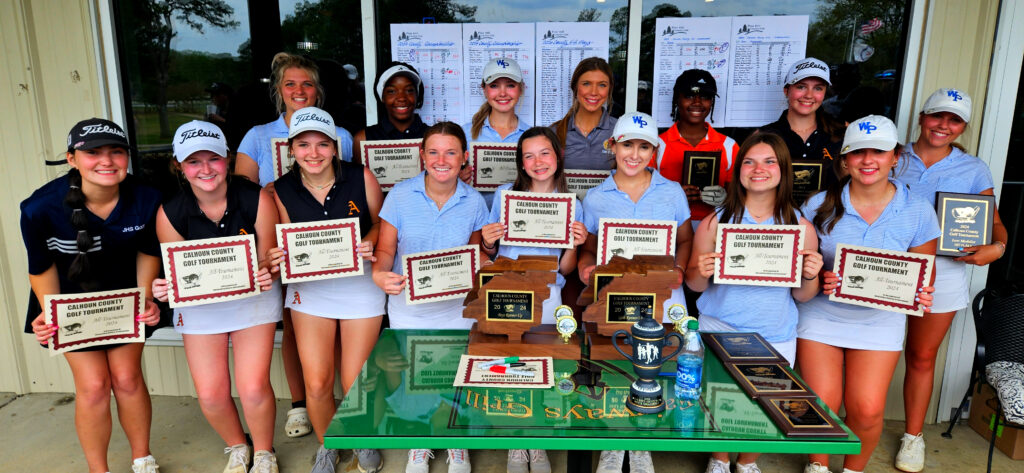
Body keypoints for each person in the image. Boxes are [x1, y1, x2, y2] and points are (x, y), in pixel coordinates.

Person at [798, 116, 938, 473]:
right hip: (822, 314)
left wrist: (920, 292)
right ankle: (818, 465)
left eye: (879, 151)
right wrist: (821, 275)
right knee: (822, 404)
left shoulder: (917, 208)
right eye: (858, 152)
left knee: (868, 408)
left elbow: (924, 269)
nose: (868, 160)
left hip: (880, 320)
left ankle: (853, 469)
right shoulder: (818, 206)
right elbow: (801, 267)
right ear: (845, 160)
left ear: (896, 157)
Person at [23, 118, 162, 473]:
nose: (107, 161)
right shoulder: (40, 208)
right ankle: (98, 469)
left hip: (125, 298)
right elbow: (40, 267)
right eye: (93, 153)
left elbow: (149, 251)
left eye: (116, 152)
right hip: (72, 301)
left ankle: (142, 460)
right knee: (94, 386)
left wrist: (145, 298)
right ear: (72, 159)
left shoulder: (146, 197)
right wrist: (48, 312)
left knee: (128, 379)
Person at [685, 133, 823, 473]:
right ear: (737, 170)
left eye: (768, 161)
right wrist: (701, 271)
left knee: (765, 407)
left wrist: (810, 274)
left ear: (784, 170)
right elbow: (694, 284)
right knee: (716, 401)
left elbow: (803, 296)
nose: (758, 169)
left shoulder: (799, 227)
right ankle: (718, 459)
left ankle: (747, 462)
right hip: (721, 328)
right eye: (749, 161)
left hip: (774, 333)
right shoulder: (716, 221)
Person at [236, 52, 356, 439]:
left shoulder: (339, 135)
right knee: (292, 326)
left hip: (330, 245)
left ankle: (333, 399)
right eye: (290, 84)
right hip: (280, 245)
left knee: (334, 324)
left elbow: (347, 186)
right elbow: (242, 194)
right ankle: (301, 404)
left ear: (317, 90)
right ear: (278, 90)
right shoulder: (257, 136)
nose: (298, 90)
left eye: (306, 84)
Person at [153, 121, 282, 473]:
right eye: (194, 162)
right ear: (179, 166)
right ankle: (238, 445)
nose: (205, 169)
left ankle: (265, 451)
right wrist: (164, 286)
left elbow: (269, 257)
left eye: (213, 158)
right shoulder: (171, 212)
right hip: (201, 306)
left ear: (227, 158)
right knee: (210, 393)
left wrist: (266, 269)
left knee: (253, 387)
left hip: (251, 298)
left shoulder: (256, 197)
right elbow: (174, 270)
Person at [893, 88, 1008, 473]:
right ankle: (854, 425)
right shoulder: (892, 156)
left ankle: (913, 437)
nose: (944, 125)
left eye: (954, 119)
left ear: (963, 127)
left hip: (941, 272)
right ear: (922, 115)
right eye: (938, 115)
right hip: (886, 267)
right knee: (867, 350)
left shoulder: (973, 168)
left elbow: (992, 223)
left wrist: (998, 247)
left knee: (922, 357)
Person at [267, 107, 385, 473]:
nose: (313, 152)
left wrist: (369, 241)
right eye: (303, 144)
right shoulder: (279, 190)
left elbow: (383, 222)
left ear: (335, 147)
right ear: (291, 149)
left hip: (360, 284)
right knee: (316, 381)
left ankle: (362, 439)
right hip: (311, 290)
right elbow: (282, 245)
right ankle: (328, 444)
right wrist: (275, 255)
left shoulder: (359, 175)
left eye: (322, 144)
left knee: (354, 379)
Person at [577, 112, 693, 473]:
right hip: (616, 298)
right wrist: (585, 267)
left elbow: (686, 239)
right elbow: (590, 248)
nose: (635, 154)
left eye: (644, 147)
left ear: (654, 151)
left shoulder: (671, 192)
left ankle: (644, 439)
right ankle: (615, 438)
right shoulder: (596, 196)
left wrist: (680, 269)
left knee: (656, 365)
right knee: (615, 361)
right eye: (628, 144)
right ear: (613, 146)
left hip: (663, 296)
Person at [371, 122, 489, 473]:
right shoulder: (401, 195)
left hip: (456, 309)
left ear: (465, 158)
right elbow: (386, 248)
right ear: (421, 156)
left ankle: (457, 445)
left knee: (456, 377)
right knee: (413, 379)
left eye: (451, 152)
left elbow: (475, 255)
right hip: (410, 308)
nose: (442, 159)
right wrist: (379, 273)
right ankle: (420, 445)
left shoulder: (474, 202)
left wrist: (490, 262)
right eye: (433, 152)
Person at [479, 127, 586, 473]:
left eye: (544, 153)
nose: (537, 162)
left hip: (548, 295)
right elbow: (491, 256)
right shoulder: (504, 195)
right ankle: (515, 441)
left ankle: (537, 441)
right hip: (508, 293)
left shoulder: (573, 204)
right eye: (529, 155)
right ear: (520, 163)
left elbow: (566, 268)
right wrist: (490, 241)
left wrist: (573, 244)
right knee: (510, 368)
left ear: (558, 157)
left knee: (545, 370)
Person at [652, 69, 738, 225]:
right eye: (689, 95)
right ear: (677, 99)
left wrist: (726, 198)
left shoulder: (728, 146)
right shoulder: (657, 144)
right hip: (668, 225)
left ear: (712, 101)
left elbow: (740, 196)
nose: (697, 102)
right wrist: (672, 195)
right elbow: (640, 193)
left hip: (714, 226)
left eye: (705, 97)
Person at [758, 58, 843, 202]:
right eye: (801, 87)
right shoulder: (764, 136)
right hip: (778, 220)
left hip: (827, 221)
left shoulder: (840, 135)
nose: (809, 95)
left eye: (818, 88)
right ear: (786, 90)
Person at [459, 57, 531, 204]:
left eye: (510, 85)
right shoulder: (464, 134)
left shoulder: (533, 137)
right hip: (475, 222)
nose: (502, 93)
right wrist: (456, 178)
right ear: (484, 89)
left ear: (521, 88)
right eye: (494, 86)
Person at [550, 57, 617, 170]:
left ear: (609, 89)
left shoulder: (620, 130)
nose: (594, 92)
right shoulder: (554, 132)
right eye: (586, 84)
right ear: (575, 87)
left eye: (602, 85)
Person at [353, 62, 430, 155]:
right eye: (391, 91)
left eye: (409, 90)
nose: (401, 98)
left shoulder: (434, 136)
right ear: (382, 97)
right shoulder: (363, 139)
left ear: (417, 95)